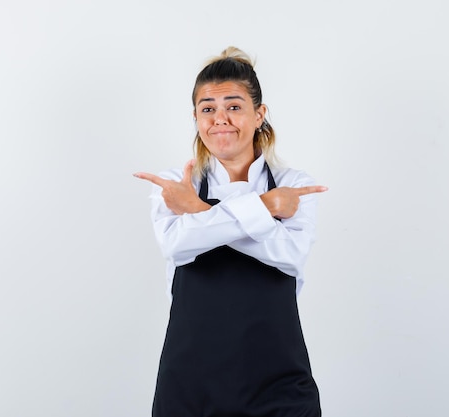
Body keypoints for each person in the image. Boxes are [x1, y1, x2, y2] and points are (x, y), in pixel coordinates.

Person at [134, 46, 327, 417]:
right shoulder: (175, 183)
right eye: (208, 109)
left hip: (280, 385)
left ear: (259, 115)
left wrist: (199, 212)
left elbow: (288, 255)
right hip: (189, 387)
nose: (220, 119)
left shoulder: (293, 183)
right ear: (196, 118)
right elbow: (176, 243)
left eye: (234, 106)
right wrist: (266, 208)